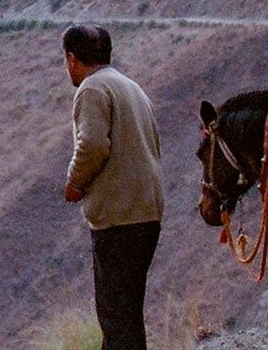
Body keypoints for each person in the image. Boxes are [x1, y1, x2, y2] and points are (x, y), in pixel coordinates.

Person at [61, 25, 165, 350]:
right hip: (146, 212)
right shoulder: (130, 86)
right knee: (128, 313)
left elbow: (92, 144)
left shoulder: (92, 89)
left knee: (115, 317)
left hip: (119, 217)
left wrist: (74, 183)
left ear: (72, 58)